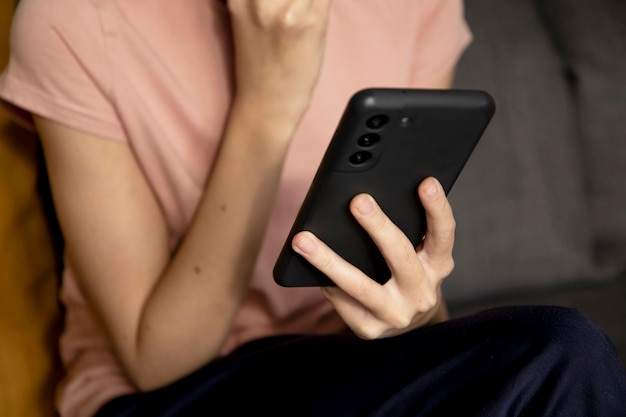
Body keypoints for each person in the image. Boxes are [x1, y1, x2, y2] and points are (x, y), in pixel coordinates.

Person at [1, 0, 625, 416]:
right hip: (172, 393)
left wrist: (417, 312)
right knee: (561, 353)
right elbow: (156, 362)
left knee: (556, 360)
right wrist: (268, 104)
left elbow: (411, 294)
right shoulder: (74, 19)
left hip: (350, 368)